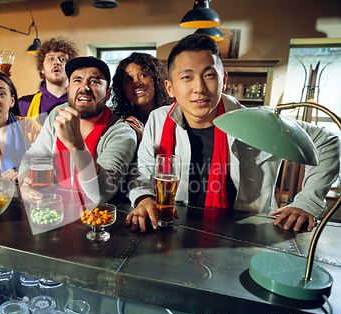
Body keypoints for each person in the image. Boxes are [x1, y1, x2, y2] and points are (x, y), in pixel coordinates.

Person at [126, 33, 340, 233]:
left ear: (223, 81)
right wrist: (144, 198)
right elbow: (142, 173)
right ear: (170, 88)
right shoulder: (159, 120)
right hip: (178, 230)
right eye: (187, 77)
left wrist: (308, 202)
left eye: (209, 75)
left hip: (245, 234)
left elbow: (328, 141)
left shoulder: (257, 122)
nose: (199, 87)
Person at [18, 56, 137, 204]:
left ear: (107, 94)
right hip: (56, 211)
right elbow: (33, 156)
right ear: (68, 90)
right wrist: (24, 183)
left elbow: (102, 193)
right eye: (77, 80)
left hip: (99, 219)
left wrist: (76, 145)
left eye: (94, 81)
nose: (84, 87)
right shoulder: (57, 114)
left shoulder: (121, 132)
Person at [111, 52, 173, 141]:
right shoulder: (123, 122)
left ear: (156, 80)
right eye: (129, 79)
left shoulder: (173, 115)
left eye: (143, 75)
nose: (136, 82)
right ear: (122, 88)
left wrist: (145, 139)